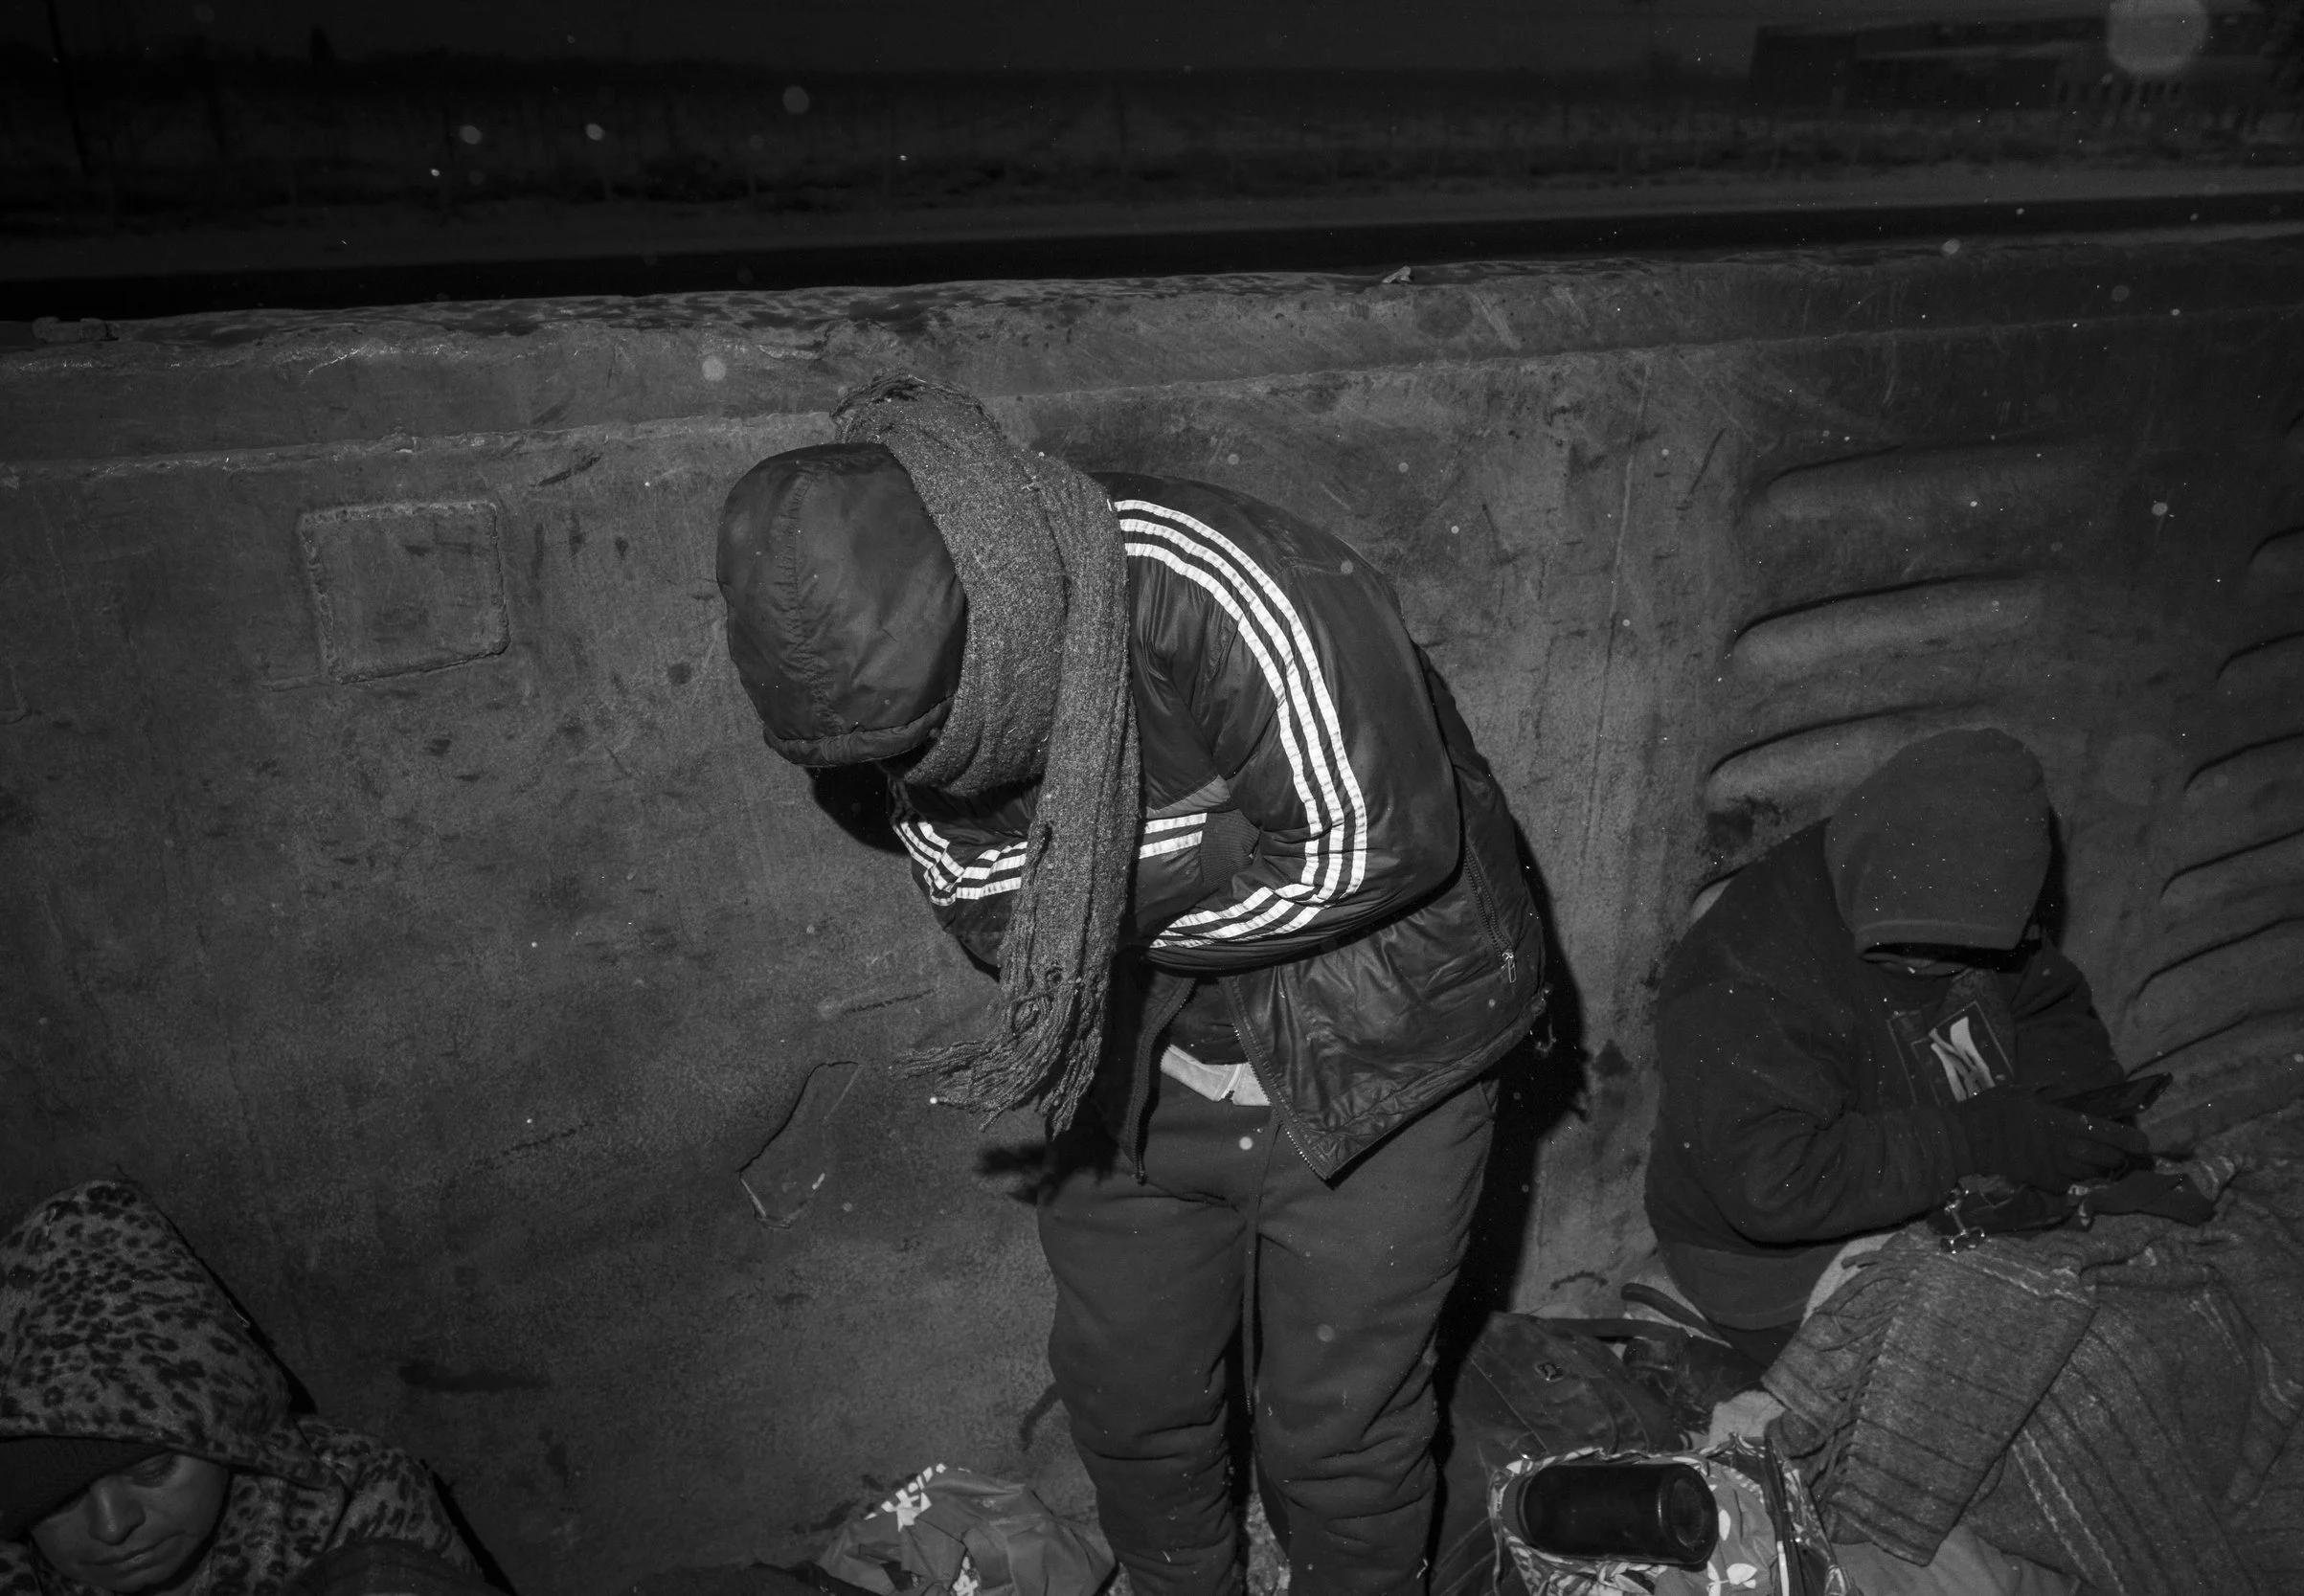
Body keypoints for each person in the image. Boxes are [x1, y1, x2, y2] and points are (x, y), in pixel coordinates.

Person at [715, 375, 1546, 1596]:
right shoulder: (914, 704)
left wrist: (1093, 886)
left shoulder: (1210, 580)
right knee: (1128, 1396)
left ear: (992, 599)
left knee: (1338, 1434)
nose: (919, 772)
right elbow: (989, 915)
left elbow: (1368, 848)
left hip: (1380, 1057)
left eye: (940, 722)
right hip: (1134, 1060)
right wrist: (1203, 838)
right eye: (885, 756)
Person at [1641, 729, 2150, 1367]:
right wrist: (1985, 1137)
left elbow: (2047, 1004)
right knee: (1993, 1363)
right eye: (1915, 948)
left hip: (1931, 1177)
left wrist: (2070, 1112)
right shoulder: (1746, 973)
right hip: (1769, 1260)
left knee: (2120, 1292)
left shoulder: (1960, 887)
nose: (1950, 963)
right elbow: (1775, 1184)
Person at [0, 1180, 490, 1596]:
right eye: (54, 1500)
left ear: (229, 1432)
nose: (111, 1526)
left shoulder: (360, 1502)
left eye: (153, 1468)